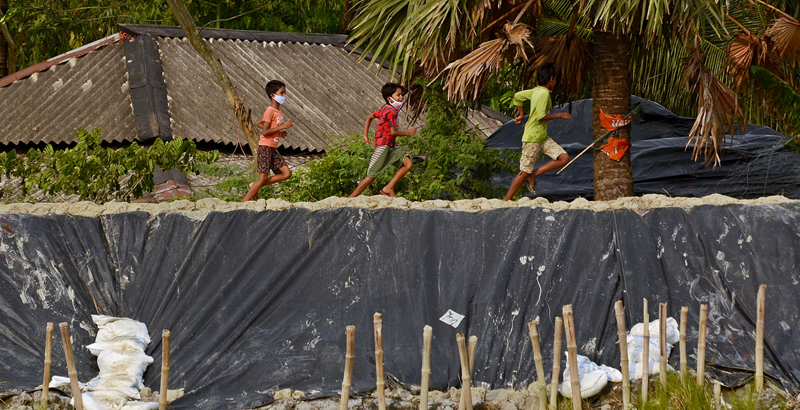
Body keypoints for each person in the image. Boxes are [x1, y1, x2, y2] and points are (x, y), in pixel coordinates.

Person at [503, 63, 571, 201]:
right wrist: (559, 115)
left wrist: (521, 115)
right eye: (555, 79)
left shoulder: (535, 91)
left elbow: (517, 96)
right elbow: (541, 116)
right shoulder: (544, 94)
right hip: (533, 137)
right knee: (524, 172)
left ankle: (534, 174)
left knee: (563, 157)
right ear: (551, 79)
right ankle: (506, 201)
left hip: (542, 137)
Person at [349, 83, 417, 198]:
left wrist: (365, 135)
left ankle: (389, 188)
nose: (401, 97)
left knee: (408, 163)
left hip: (390, 147)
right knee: (372, 175)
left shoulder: (384, 109)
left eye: (402, 95)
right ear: (389, 98)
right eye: (398, 95)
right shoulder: (392, 112)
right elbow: (393, 132)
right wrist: (408, 134)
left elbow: (369, 117)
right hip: (384, 146)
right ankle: (351, 198)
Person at [242, 80, 294, 202]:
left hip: (272, 148)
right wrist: (282, 127)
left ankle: (255, 185)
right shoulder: (270, 110)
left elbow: (260, 123)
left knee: (286, 173)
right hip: (265, 147)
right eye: (281, 93)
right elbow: (264, 132)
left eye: (284, 93)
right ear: (272, 95)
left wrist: (278, 132)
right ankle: (243, 203)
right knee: (263, 177)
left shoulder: (278, 112)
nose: (284, 96)